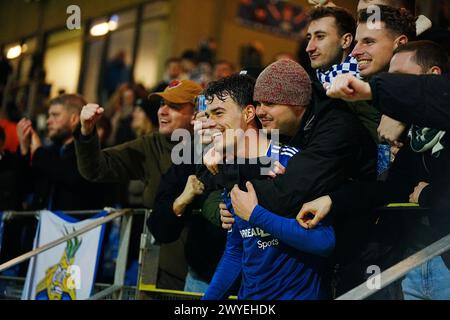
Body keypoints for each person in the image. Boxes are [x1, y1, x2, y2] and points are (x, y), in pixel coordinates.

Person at [303, 41, 450, 299]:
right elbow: (385, 188)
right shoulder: (413, 136)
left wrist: (428, 195)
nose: (392, 86)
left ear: (432, 78)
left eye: (400, 79)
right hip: (412, 266)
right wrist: (332, 200)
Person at [74, 80, 202, 290]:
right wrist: (86, 132)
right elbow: (96, 168)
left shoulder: (219, 146)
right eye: (161, 104)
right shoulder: (150, 145)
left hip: (205, 272)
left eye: (175, 106)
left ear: (198, 112)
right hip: (159, 269)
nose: (162, 112)